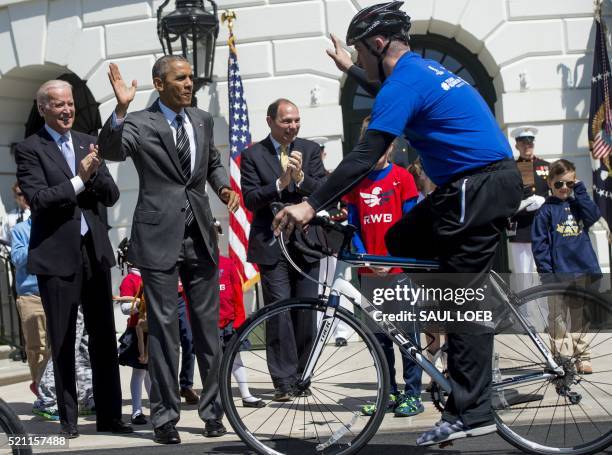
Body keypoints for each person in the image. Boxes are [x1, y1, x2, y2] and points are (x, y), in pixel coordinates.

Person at [273, 2, 522, 445]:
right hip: (477, 185)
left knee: (459, 294)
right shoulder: (419, 71)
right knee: (400, 236)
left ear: (378, 42)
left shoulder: (403, 84)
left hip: (476, 187)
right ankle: (449, 320)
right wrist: (351, 68)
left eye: (361, 52)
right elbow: (381, 83)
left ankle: (473, 409)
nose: (361, 60)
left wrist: (310, 205)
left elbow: (366, 156)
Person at [97, 55, 240, 444]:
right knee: (163, 330)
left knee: (209, 331)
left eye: (191, 77)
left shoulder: (201, 120)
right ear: (159, 84)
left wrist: (224, 186)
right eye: (181, 78)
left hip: (200, 235)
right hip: (158, 237)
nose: (189, 83)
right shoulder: (140, 122)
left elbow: (211, 162)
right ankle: (164, 418)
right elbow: (111, 150)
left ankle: (214, 411)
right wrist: (122, 108)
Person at [14, 79, 127, 438]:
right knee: (62, 340)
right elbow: (40, 199)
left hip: (93, 252)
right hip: (56, 256)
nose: (66, 111)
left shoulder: (86, 141)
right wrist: (79, 179)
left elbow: (110, 195)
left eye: (70, 104)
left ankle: (111, 416)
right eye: (58, 105)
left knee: (104, 339)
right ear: (43, 108)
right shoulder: (30, 149)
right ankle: (68, 419)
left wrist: (93, 175)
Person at [240, 98, 327, 401]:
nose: (292, 127)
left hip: (306, 244)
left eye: (296, 121)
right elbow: (250, 200)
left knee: (306, 312)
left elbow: (324, 192)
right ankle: (283, 381)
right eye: (286, 121)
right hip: (271, 245)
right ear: (270, 122)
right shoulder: (252, 155)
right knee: (279, 312)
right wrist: (280, 183)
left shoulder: (311, 150)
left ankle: (302, 376)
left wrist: (301, 179)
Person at [343, 138, 424, 417]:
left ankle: (413, 393)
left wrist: (390, 258)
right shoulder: (358, 183)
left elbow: (411, 224)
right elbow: (352, 226)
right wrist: (366, 257)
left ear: (390, 147)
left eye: (382, 146)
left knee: (406, 335)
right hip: (369, 273)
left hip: (398, 271)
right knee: (380, 339)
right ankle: (388, 393)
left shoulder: (403, 178)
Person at [531, 159, 601, 375]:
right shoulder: (545, 211)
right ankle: (561, 358)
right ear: (550, 182)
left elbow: (594, 215)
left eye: (569, 184)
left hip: (582, 270)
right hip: (558, 274)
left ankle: (582, 356)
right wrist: (546, 274)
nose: (564, 189)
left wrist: (579, 189)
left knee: (579, 316)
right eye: (559, 184)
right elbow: (539, 246)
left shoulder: (579, 205)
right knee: (557, 318)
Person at [218, 255, 264, 408]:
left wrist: (239, 320)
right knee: (213, 363)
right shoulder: (199, 264)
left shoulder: (227, 263)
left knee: (235, 358)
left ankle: (246, 395)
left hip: (230, 322)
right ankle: (217, 398)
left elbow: (237, 292)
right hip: (210, 324)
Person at [507, 126, 549, 281]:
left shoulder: (545, 166)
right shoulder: (511, 167)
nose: (526, 146)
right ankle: (525, 306)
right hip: (521, 226)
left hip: (542, 225)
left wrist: (545, 202)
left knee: (544, 272)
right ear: (517, 145)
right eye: (523, 143)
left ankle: (545, 306)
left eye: (529, 143)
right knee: (523, 274)